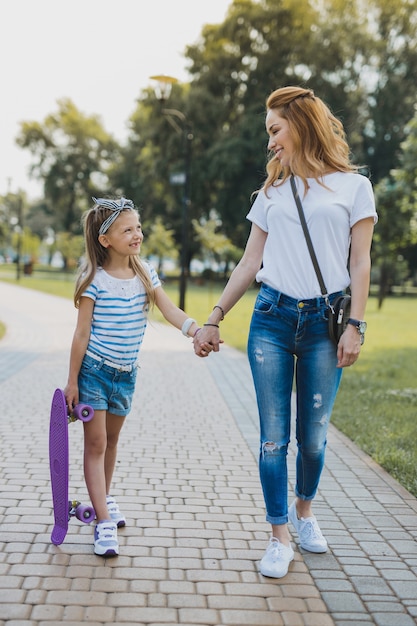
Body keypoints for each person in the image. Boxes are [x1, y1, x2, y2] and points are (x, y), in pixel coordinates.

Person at [193, 86, 377, 578]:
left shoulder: (353, 187)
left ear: (300, 124)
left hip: (325, 324)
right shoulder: (271, 194)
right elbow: (250, 261)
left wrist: (354, 325)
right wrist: (214, 317)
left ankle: (305, 511)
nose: (270, 140)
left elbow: (360, 264)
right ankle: (278, 536)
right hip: (271, 320)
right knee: (274, 439)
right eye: (268, 132)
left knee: (313, 438)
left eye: (275, 129)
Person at [64, 197, 200, 557]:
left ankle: (103, 501)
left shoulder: (144, 272)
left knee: (110, 441)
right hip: (94, 372)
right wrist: (72, 381)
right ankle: (103, 522)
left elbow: (168, 308)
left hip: (126, 375)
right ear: (105, 239)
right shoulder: (93, 278)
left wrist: (194, 329)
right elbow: (81, 334)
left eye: (138, 227)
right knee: (95, 445)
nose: (137, 234)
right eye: (128, 229)